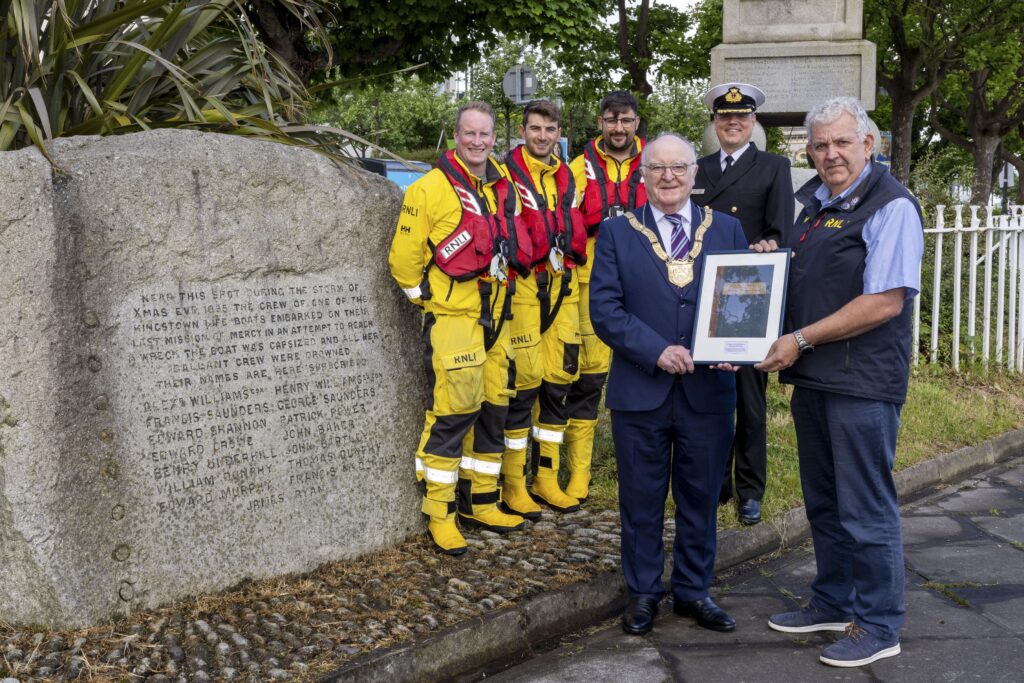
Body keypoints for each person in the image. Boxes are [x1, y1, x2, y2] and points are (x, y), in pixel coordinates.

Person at [756, 96, 923, 667]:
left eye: (842, 143)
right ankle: (833, 600)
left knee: (866, 508)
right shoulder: (817, 203)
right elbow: (810, 278)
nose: (831, 154)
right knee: (824, 502)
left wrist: (799, 340)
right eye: (821, 145)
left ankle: (879, 624)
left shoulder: (891, 205)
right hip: (818, 378)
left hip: (862, 383)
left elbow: (883, 302)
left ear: (869, 144)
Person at [590, 133, 748, 636]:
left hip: (709, 392)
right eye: (657, 167)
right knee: (640, 499)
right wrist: (655, 350)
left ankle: (694, 592)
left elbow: (743, 298)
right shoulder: (617, 232)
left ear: (694, 174)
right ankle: (642, 595)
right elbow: (605, 310)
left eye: (679, 167)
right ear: (643, 174)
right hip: (640, 390)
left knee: (701, 496)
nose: (669, 176)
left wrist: (738, 348)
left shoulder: (727, 229)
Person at [388, 101, 529, 556]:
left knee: (493, 410)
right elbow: (403, 262)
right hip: (454, 321)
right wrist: (425, 298)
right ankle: (440, 513)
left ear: (494, 138)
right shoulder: (428, 190)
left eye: (485, 135)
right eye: (469, 134)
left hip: (499, 317)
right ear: (456, 135)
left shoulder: (501, 185)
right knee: (452, 415)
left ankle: (481, 501)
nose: (477, 142)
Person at [693, 82, 794, 526]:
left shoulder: (773, 166)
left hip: (749, 297)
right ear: (715, 123)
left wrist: (769, 242)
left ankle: (750, 489)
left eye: (741, 117)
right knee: (711, 397)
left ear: (752, 122)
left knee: (750, 400)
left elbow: (781, 230)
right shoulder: (696, 169)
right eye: (724, 117)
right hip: (702, 295)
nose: (732, 123)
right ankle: (717, 482)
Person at [501, 100, 588, 518]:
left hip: (564, 290)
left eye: (549, 130)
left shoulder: (570, 175)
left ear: (558, 132)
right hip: (522, 291)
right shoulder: (504, 176)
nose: (542, 136)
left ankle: (546, 478)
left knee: (558, 384)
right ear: (523, 130)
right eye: (535, 129)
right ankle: (514, 484)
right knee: (522, 387)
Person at [563, 91, 647, 506]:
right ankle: (579, 474)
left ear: (636, 122)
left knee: (649, 370)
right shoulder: (577, 170)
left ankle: (643, 464)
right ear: (600, 122)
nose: (619, 128)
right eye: (611, 120)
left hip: (648, 286)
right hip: (591, 286)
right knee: (588, 379)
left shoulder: (657, 166)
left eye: (626, 120)